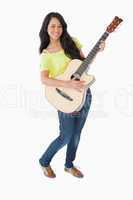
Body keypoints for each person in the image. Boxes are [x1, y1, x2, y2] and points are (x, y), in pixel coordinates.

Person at [39, 12, 105, 178]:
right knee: (66, 136)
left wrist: (98, 50)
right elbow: (45, 80)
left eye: (59, 26)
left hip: (84, 94)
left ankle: (69, 165)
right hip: (65, 98)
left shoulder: (72, 42)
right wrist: (68, 84)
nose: (56, 29)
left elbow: (84, 64)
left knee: (76, 134)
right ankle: (44, 161)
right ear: (46, 28)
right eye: (52, 26)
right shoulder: (46, 54)